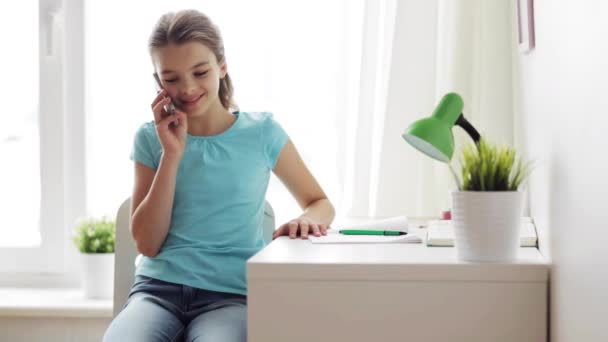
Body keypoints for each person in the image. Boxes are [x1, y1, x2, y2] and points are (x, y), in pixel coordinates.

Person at [103, 9, 335, 342]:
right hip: (156, 292)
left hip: (230, 297)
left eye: (200, 72)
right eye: (171, 78)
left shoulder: (262, 132)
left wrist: (307, 219)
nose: (188, 88)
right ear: (158, 82)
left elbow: (320, 202)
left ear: (222, 66)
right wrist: (172, 154)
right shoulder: (149, 138)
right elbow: (147, 244)